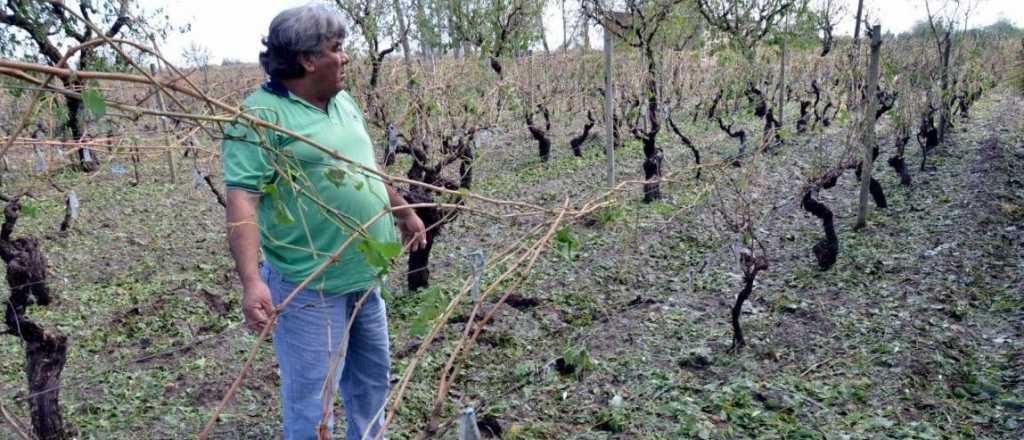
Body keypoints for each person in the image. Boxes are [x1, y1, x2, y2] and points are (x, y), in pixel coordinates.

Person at [221, 4, 426, 439]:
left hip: (365, 276)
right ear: (308, 59)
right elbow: (242, 199)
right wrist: (251, 280)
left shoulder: (343, 101)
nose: (346, 57)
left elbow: (365, 167)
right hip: (309, 287)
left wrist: (401, 209)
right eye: (337, 48)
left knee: (371, 385)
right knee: (313, 402)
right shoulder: (259, 118)